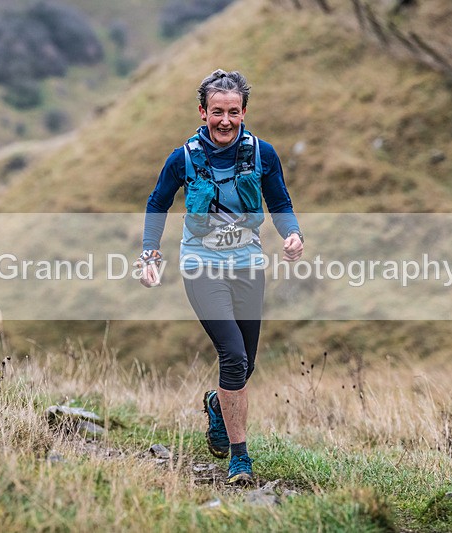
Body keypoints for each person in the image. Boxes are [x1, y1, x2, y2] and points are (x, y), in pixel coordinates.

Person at [137, 70, 304, 484]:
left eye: (233, 112)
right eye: (217, 112)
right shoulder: (184, 158)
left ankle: (217, 403)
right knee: (232, 355)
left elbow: (279, 199)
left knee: (244, 366)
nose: (225, 120)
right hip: (201, 265)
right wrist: (149, 253)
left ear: (244, 112)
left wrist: (292, 233)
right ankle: (240, 458)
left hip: (248, 263)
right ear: (203, 111)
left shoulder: (263, 154)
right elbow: (157, 203)